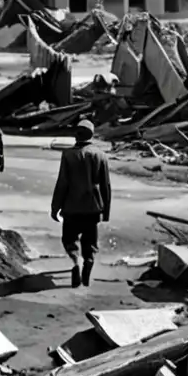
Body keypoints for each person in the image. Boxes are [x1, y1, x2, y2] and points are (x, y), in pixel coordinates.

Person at [51, 119, 112, 288]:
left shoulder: (68, 155)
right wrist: (106, 211)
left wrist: (55, 207)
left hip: (71, 207)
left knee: (69, 239)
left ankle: (75, 261)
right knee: (89, 242)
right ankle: (89, 261)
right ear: (92, 134)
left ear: (76, 134)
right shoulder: (100, 155)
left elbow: (62, 183)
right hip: (93, 207)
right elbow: (106, 185)